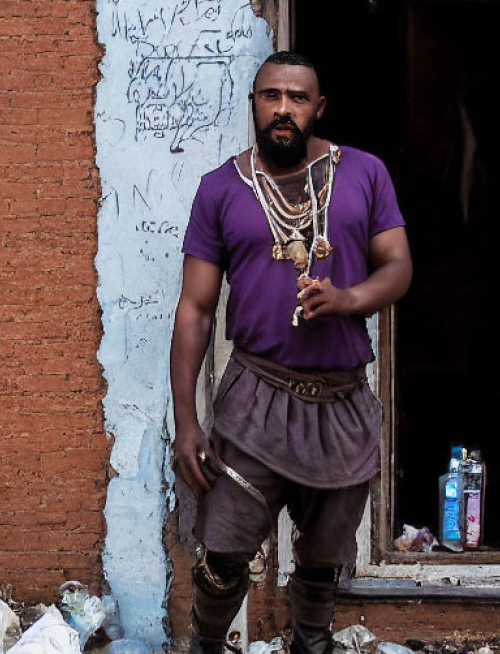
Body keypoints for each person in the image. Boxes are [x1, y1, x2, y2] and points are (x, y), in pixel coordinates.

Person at [170, 51, 412, 654]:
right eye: (271, 95)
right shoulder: (221, 189)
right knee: (224, 552)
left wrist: (350, 297)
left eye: (297, 98)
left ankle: (311, 644)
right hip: (254, 397)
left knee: (323, 561)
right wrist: (186, 420)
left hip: (341, 400)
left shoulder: (364, 174)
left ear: (318, 108)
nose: (284, 108)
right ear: (254, 103)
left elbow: (399, 268)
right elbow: (195, 309)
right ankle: (204, 645)